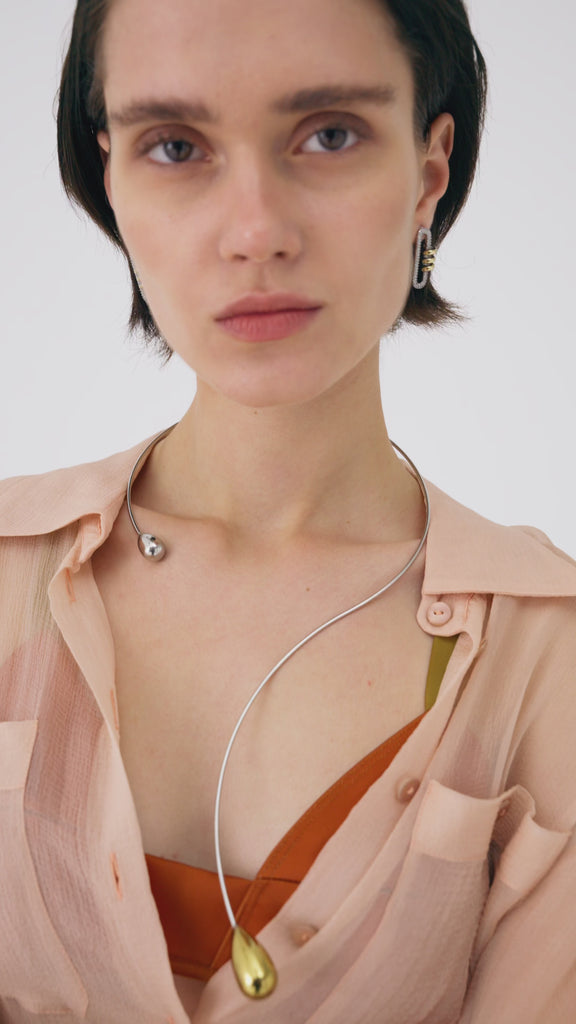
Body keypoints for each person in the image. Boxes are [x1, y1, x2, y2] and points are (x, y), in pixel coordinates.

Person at [0, 0, 575, 1021]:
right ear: (111, 177)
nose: (256, 232)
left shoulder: (551, 654)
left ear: (429, 171)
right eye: (176, 146)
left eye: (331, 135)